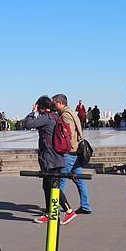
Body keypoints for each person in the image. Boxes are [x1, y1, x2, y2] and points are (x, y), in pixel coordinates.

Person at [23, 96, 77, 225]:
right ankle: (49, 213)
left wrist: (32, 112)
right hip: (56, 156)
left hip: (49, 158)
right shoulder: (55, 116)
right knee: (47, 186)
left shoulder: (46, 117)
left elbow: (28, 123)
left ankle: (69, 211)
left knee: (53, 186)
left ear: (41, 107)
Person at [53, 94, 92, 214]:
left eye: (54, 103)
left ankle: (58, 207)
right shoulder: (71, 113)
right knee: (79, 179)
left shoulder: (65, 115)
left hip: (71, 152)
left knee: (61, 180)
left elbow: (67, 134)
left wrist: (64, 148)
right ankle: (85, 206)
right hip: (76, 151)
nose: (53, 105)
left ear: (60, 103)